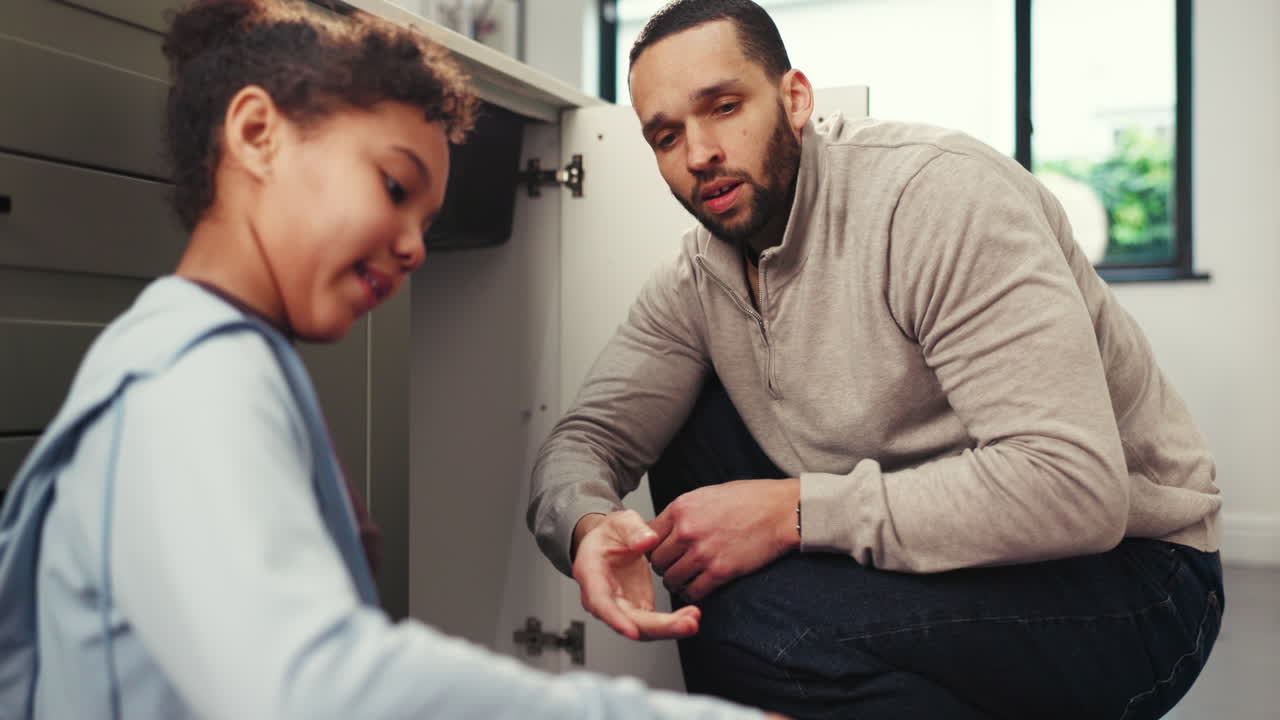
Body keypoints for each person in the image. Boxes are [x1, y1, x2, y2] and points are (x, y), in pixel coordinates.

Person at [0, 1, 788, 718]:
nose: (414, 246)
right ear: (256, 134)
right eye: (392, 185)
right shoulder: (194, 382)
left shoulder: (211, 359)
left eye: (427, 218)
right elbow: (313, 687)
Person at [527, 1, 1225, 718]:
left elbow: (1074, 488)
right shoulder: (699, 278)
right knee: (695, 454)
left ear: (795, 99)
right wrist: (589, 524)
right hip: (940, 551)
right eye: (666, 135)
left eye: (724, 106)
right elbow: (586, 439)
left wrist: (791, 511)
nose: (699, 152)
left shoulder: (937, 198)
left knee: (761, 628)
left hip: (1137, 578)